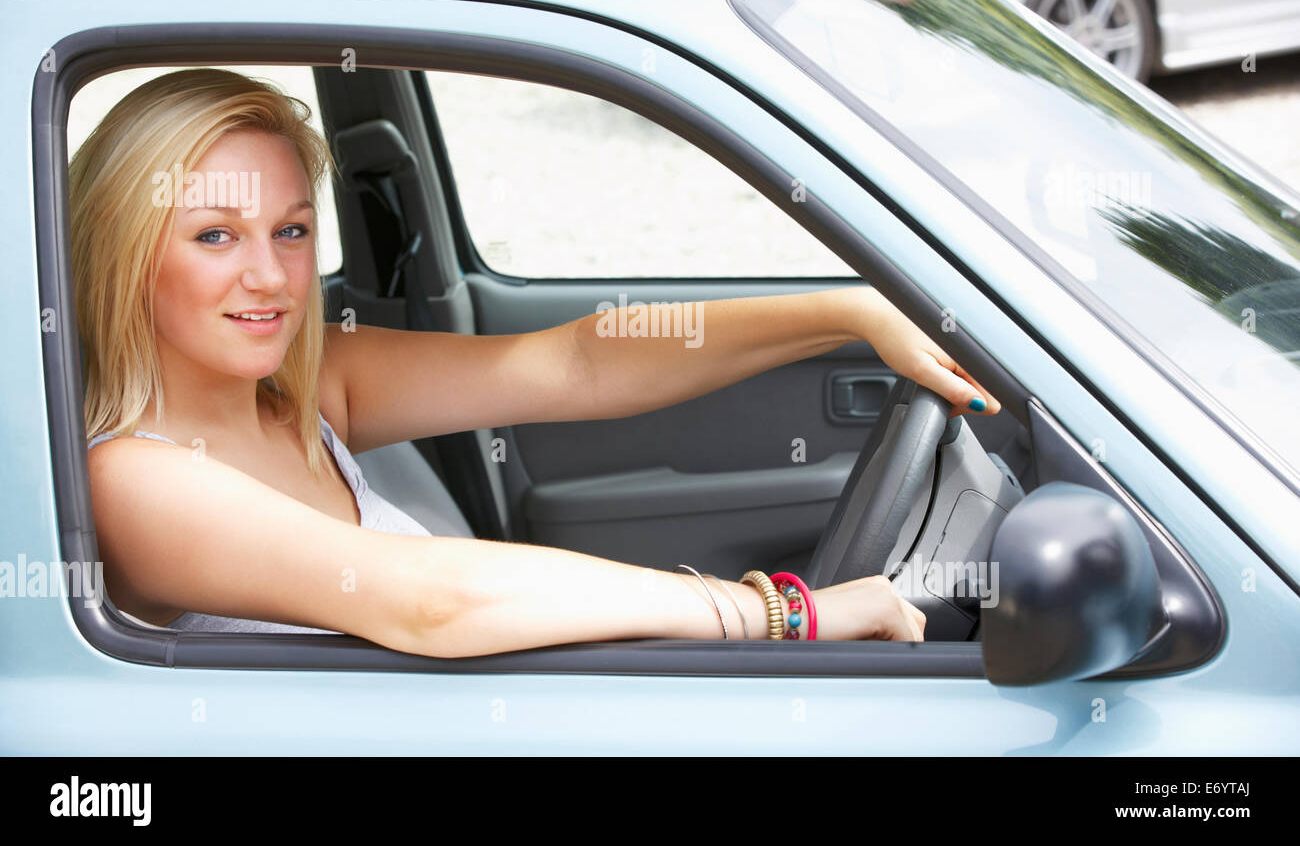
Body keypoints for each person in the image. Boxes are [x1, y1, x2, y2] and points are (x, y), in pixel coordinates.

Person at [74, 68, 1001, 658]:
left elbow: (575, 365)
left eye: (289, 230)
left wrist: (844, 313)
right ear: (124, 253)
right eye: (213, 235)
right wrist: (786, 614)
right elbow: (430, 602)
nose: (270, 274)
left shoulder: (305, 388)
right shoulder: (133, 480)